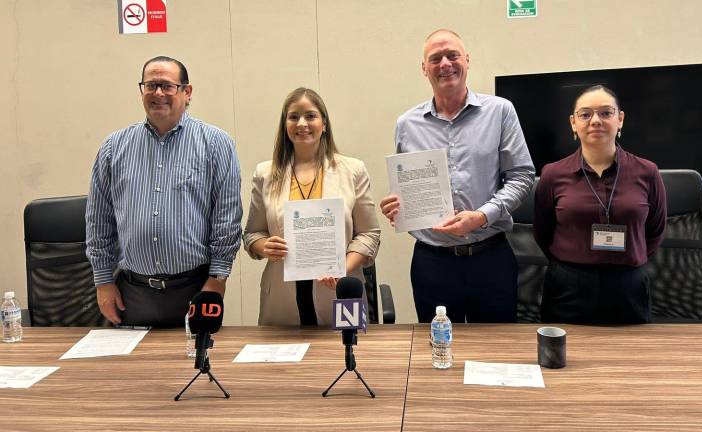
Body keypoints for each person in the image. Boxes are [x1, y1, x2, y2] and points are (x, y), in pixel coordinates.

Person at [379, 29, 535, 323]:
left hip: (490, 258)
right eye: (435, 58)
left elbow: (522, 176)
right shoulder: (407, 124)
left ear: (467, 60)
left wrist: (482, 216)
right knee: (439, 346)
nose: (445, 64)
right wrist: (398, 206)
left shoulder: (500, 111)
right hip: (432, 263)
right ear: (424, 68)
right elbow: (408, 184)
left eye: (452, 55)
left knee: (496, 346)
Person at [86, 56, 242, 328]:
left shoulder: (216, 144)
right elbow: (99, 220)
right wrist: (103, 281)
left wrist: (218, 279)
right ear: (142, 91)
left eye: (167, 86)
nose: (158, 93)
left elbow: (227, 218)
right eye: (151, 85)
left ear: (187, 92)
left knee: (196, 355)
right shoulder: (114, 147)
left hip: (196, 288)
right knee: (135, 359)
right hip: (131, 293)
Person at [243, 87, 380, 326]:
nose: (302, 123)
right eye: (293, 117)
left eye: (310, 116)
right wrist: (265, 247)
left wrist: (341, 268)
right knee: (283, 351)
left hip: (340, 291)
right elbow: (252, 234)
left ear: (324, 124)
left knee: (347, 347)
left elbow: (370, 234)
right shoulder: (265, 173)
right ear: (285, 125)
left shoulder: (353, 170)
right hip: (282, 297)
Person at [533, 85, 667, 324]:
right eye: (585, 114)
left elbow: (655, 230)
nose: (595, 121)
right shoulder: (552, 174)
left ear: (620, 119)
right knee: (566, 348)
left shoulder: (647, 172)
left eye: (606, 113)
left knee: (629, 347)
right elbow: (542, 232)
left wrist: (628, 258)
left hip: (628, 286)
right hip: (568, 287)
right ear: (573, 123)